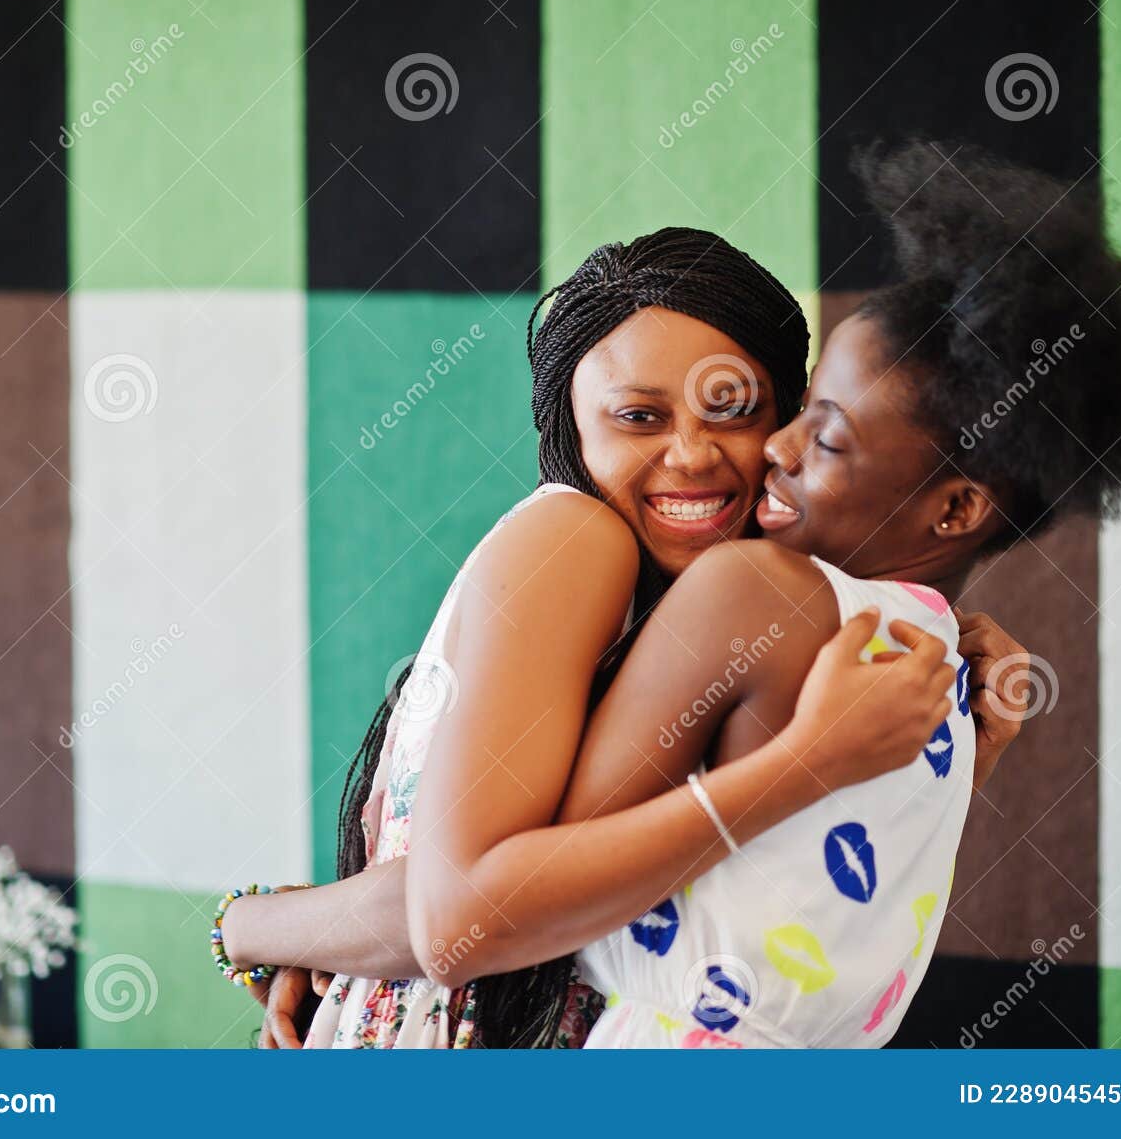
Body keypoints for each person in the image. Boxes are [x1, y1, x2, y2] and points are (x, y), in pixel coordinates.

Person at [217, 223, 1031, 1048]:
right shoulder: (575, 542)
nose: (690, 454)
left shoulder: (764, 616)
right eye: (639, 416)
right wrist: (251, 926)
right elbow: (463, 907)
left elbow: (732, 888)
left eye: (735, 409)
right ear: (573, 429)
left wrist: (952, 759)